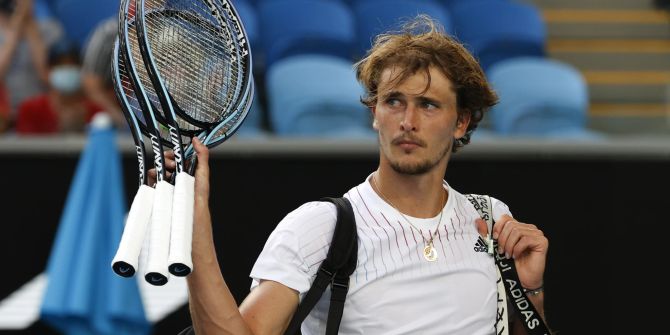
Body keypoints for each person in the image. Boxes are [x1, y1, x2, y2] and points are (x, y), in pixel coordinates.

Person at [157, 15, 550, 334]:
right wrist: (193, 227)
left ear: (461, 122)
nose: (408, 122)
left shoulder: (493, 219)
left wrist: (529, 290)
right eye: (393, 101)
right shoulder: (319, 227)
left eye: (428, 105)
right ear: (374, 113)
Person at [15, 38, 103, 134]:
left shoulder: (96, 111)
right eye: (60, 65)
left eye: (72, 65)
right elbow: (25, 147)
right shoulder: (30, 110)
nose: (67, 69)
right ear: (49, 70)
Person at [81, 16, 127, 130]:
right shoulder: (109, 33)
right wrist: (123, 121)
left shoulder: (169, 29)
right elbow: (91, 85)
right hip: (115, 120)